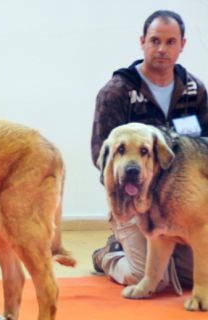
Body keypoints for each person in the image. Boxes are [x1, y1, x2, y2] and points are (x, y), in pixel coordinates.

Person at [90, 10, 208, 293]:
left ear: (182, 45)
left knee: (190, 274)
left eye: (170, 42)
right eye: (155, 41)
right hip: (133, 199)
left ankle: (172, 250)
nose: (162, 49)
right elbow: (100, 155)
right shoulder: (117, 92)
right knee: (141, 275)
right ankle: (109, 254)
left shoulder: (195, 90)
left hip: (181, 202)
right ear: (143, 42)